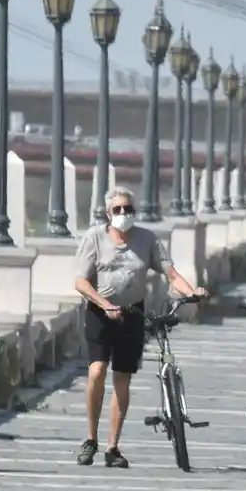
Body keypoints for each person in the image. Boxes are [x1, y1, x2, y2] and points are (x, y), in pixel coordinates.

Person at [73, 186, 205, 469]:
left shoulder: (147, 239)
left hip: (132, 313)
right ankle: (91, 439)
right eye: (118, 209)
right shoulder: (94, 238)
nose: (124, 214)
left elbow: (170, 273)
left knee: (122, 379)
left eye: (128, 209)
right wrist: (104, 304)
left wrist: (192, 291)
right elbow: (80, 281)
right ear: (108, 214)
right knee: (97, 371)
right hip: (100, 312)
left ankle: (112, 446)